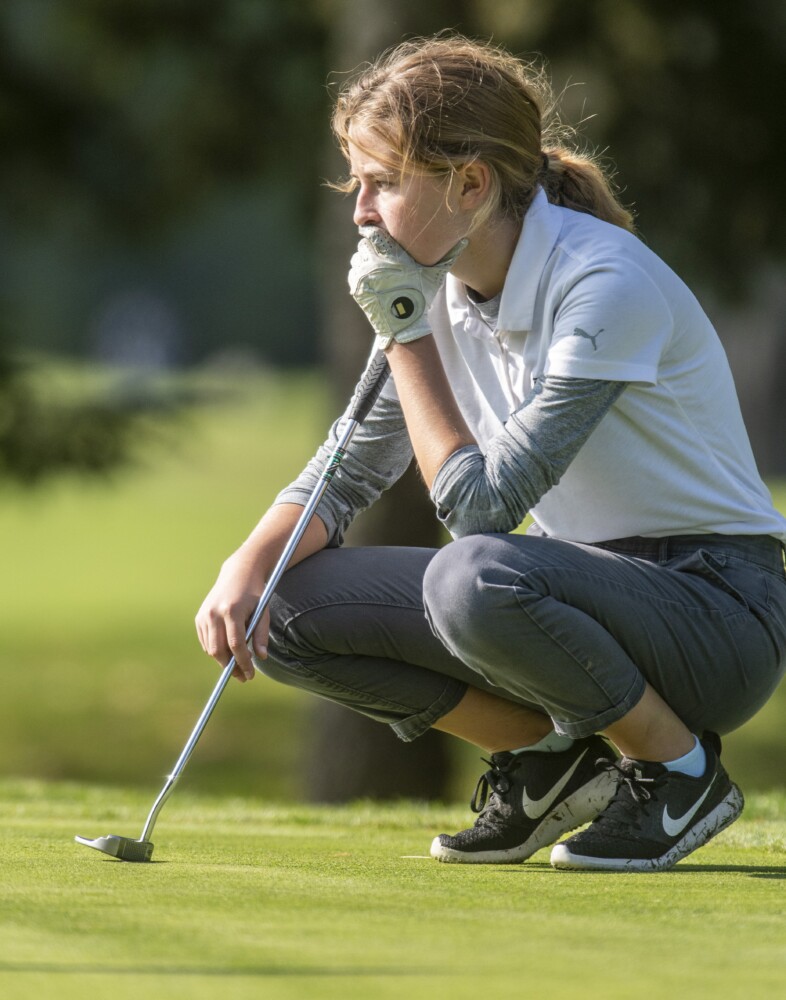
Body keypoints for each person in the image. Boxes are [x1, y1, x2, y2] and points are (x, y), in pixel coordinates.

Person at [196, 34, 786, 872]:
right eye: (356, 184)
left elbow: (482, 511)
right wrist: (248, 563)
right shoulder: (431, 290)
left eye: (384, 182)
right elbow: (351, 465)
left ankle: (678, 771)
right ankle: (553, 762)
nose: (361, 212)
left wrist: (404, 333)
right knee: (281, 609)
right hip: (570, 598)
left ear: (470, 184)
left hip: (717, 612)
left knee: (470, 576)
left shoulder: (603, 282)